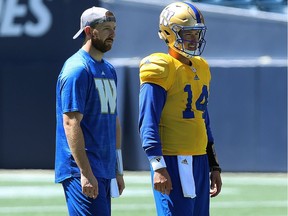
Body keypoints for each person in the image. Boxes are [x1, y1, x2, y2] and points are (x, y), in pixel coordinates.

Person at [138, 2, 222, 216]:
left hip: (199, 159)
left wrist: (213, 164)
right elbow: (148, 120)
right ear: (169, 33)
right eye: (188, 33)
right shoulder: (161, 67)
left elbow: (205, 120)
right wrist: (157, 165)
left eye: (197, 33)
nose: (194, 39)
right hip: (174, 159)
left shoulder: (201, 66)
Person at [55, 6, 125, 216]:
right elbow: (71, 123)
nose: (112, 33)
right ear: (88, 31)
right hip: (81, 170)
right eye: (105, 28)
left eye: (114, 28)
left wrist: (118, 169)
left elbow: (114, 121)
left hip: (104, 169)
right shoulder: (77, 70)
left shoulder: (109, 69)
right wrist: (85, 173)